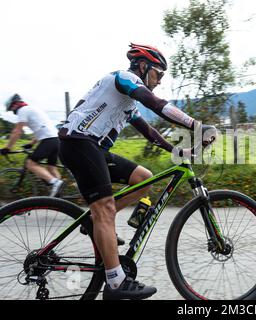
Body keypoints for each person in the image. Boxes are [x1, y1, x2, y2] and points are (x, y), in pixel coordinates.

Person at [58, 43, 216, 300]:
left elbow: (149, 132)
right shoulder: (124, 79)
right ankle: (116, 282)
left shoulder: (127, 100)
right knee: (106, 208)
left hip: (92, 146)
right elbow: (156, 104)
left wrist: (177, 152)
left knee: (143, 179)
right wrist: (196, 125)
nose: (159, 80)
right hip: (79, 143)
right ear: (143, 66)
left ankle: (96, 222)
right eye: (158, 74)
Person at [1, 94, 64, 197]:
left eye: (11, 108)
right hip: (56, 140)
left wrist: (7, 148)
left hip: (48, 140)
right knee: (51, 168)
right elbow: (41, 129)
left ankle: (55, 183)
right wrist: (31, 144)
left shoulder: (23, 110)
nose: (12, 111)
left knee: (30, 164)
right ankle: (60, 196)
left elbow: (17, 131)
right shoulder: (33, 109)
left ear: (16, 104)